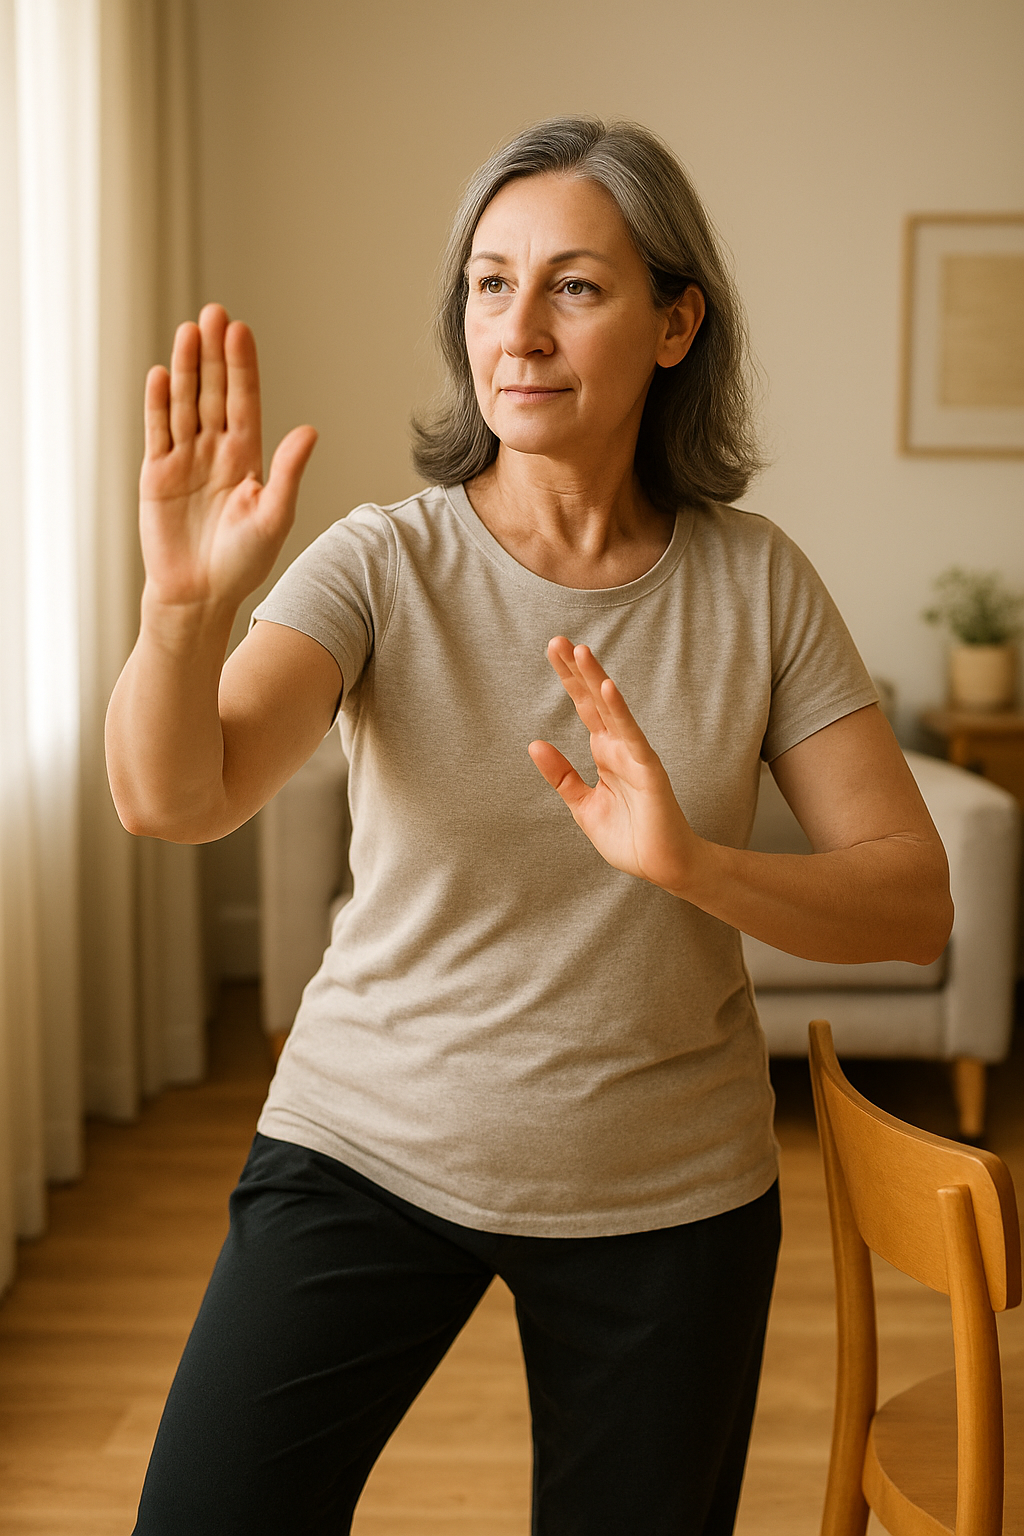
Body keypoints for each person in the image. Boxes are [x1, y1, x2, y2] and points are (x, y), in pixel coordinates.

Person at [106, 116, 952, 1535]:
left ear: (675, 324)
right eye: (490, 284)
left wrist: (697, 866)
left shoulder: (758, 587)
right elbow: (173, 796)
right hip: (364, 1147)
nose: (520, 330)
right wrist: (181, 619)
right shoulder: (382, 561)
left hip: (668, 1190)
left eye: (575, 285)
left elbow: (911, 901)